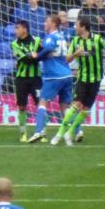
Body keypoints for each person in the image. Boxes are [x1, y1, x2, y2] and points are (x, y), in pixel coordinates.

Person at [52, 18, 105, 146]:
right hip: (82, 79)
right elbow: (66, 59)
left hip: (96, 80)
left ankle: (70, 133)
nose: (75, 28)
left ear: (83, 27)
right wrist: (76, 54)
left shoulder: (98, 39)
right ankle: (59, 134)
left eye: (76, 25)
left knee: (86, 109)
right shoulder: (75, 41)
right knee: (76, 105)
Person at [27, 14, 72, 144]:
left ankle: (39, 131)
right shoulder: (62, 36)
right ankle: (69, 133)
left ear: (53, 24)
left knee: (43, 102)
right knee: (65, 106)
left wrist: (37, 55)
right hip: (67, 74)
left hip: (54, 75)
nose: (44, 23)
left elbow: (49, 48)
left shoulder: (50, 37)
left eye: (46, 21)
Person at [10, 20, 42, 143]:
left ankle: (41, 132)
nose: (15, 31)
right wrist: (33, 56)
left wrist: (34, 56)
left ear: (24, 29)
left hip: (36, 78)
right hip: (21, 79)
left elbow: (40, 56)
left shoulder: (37, 40)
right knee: (22, 106)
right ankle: (23, 132)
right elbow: (23, 59)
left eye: (17, 28)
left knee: (40, 105)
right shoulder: (14, 43)